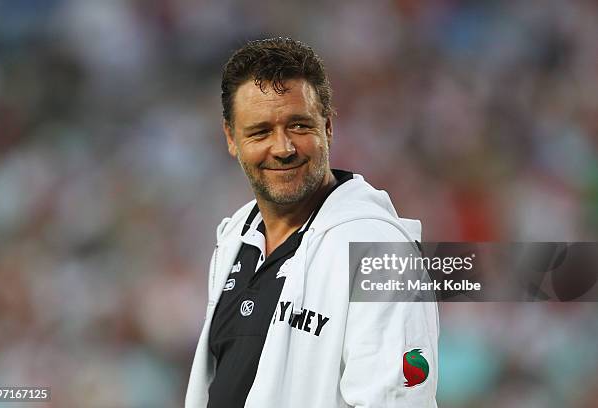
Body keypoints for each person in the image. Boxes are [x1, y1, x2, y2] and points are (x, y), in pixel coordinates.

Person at [185, 37, 438, 408]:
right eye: (260, 132)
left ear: (328, 128)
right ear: (231, 138)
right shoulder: (236, 235)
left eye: (299, 126)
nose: (283, 148)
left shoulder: (380, 251)